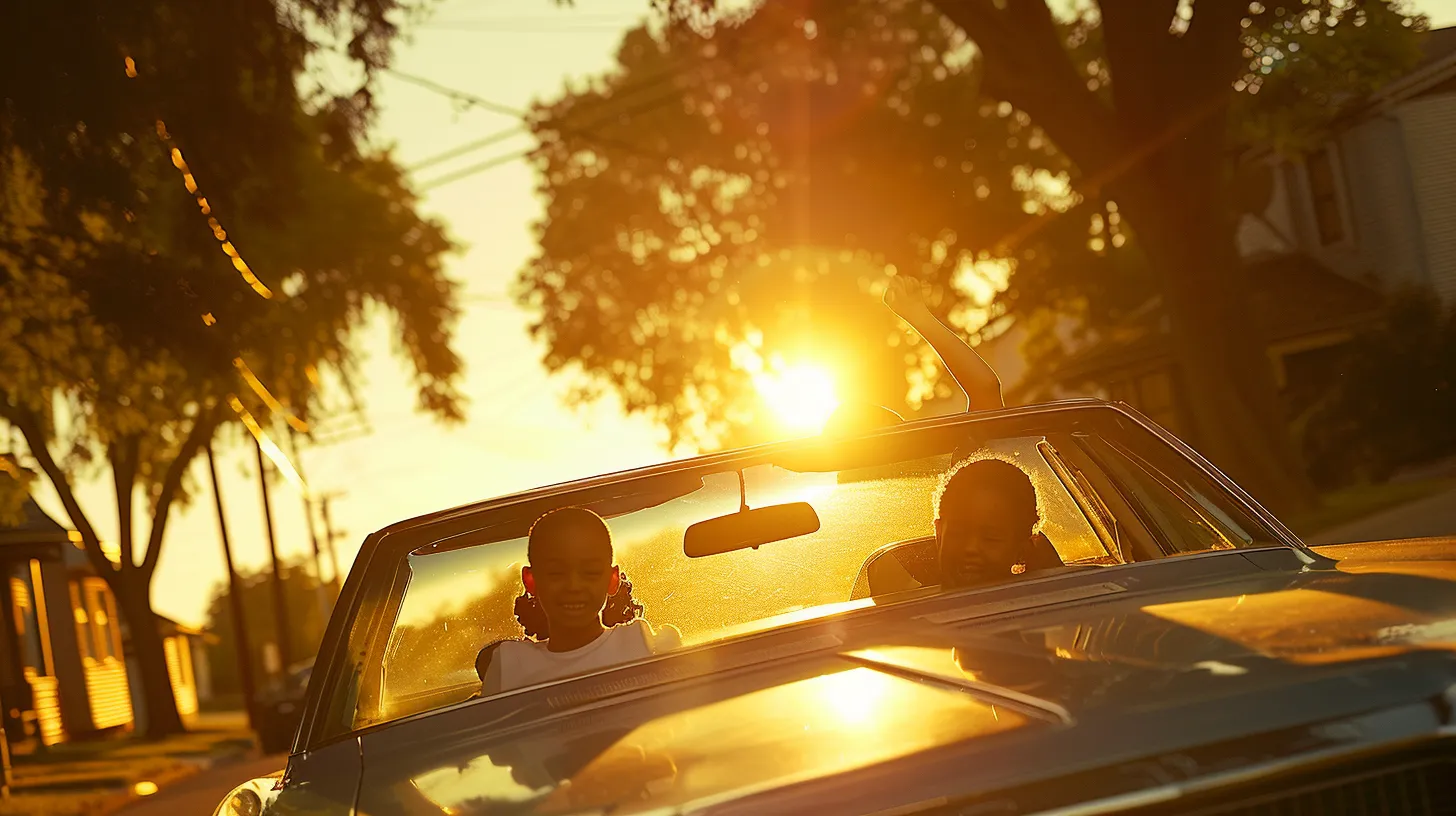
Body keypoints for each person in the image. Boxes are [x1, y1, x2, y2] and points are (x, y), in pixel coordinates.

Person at [480, 506, 681, 695]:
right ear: (531, 581)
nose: (574, 586)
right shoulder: (509, 666)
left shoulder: (645, 643)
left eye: (590, 572)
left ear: (613, 580)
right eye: (556, 573)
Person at [933, 457, 1056, 589]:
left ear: (1022, 549)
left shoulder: (1051, 602)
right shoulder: (911, 605)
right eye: (958, 533)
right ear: (939, 534)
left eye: (990, 538)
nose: (971, 548)